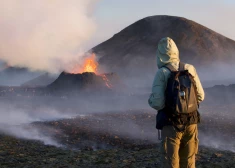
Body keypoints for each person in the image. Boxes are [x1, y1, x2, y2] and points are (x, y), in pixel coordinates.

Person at [148, 37, 205, 168]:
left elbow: (157, 103)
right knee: (189, 161)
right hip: (191, 122)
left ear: (160, 55)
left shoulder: (162, 72)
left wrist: (150, 100)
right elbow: (200, 96)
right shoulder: (189, 68)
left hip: (171, 123)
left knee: (171, 162)